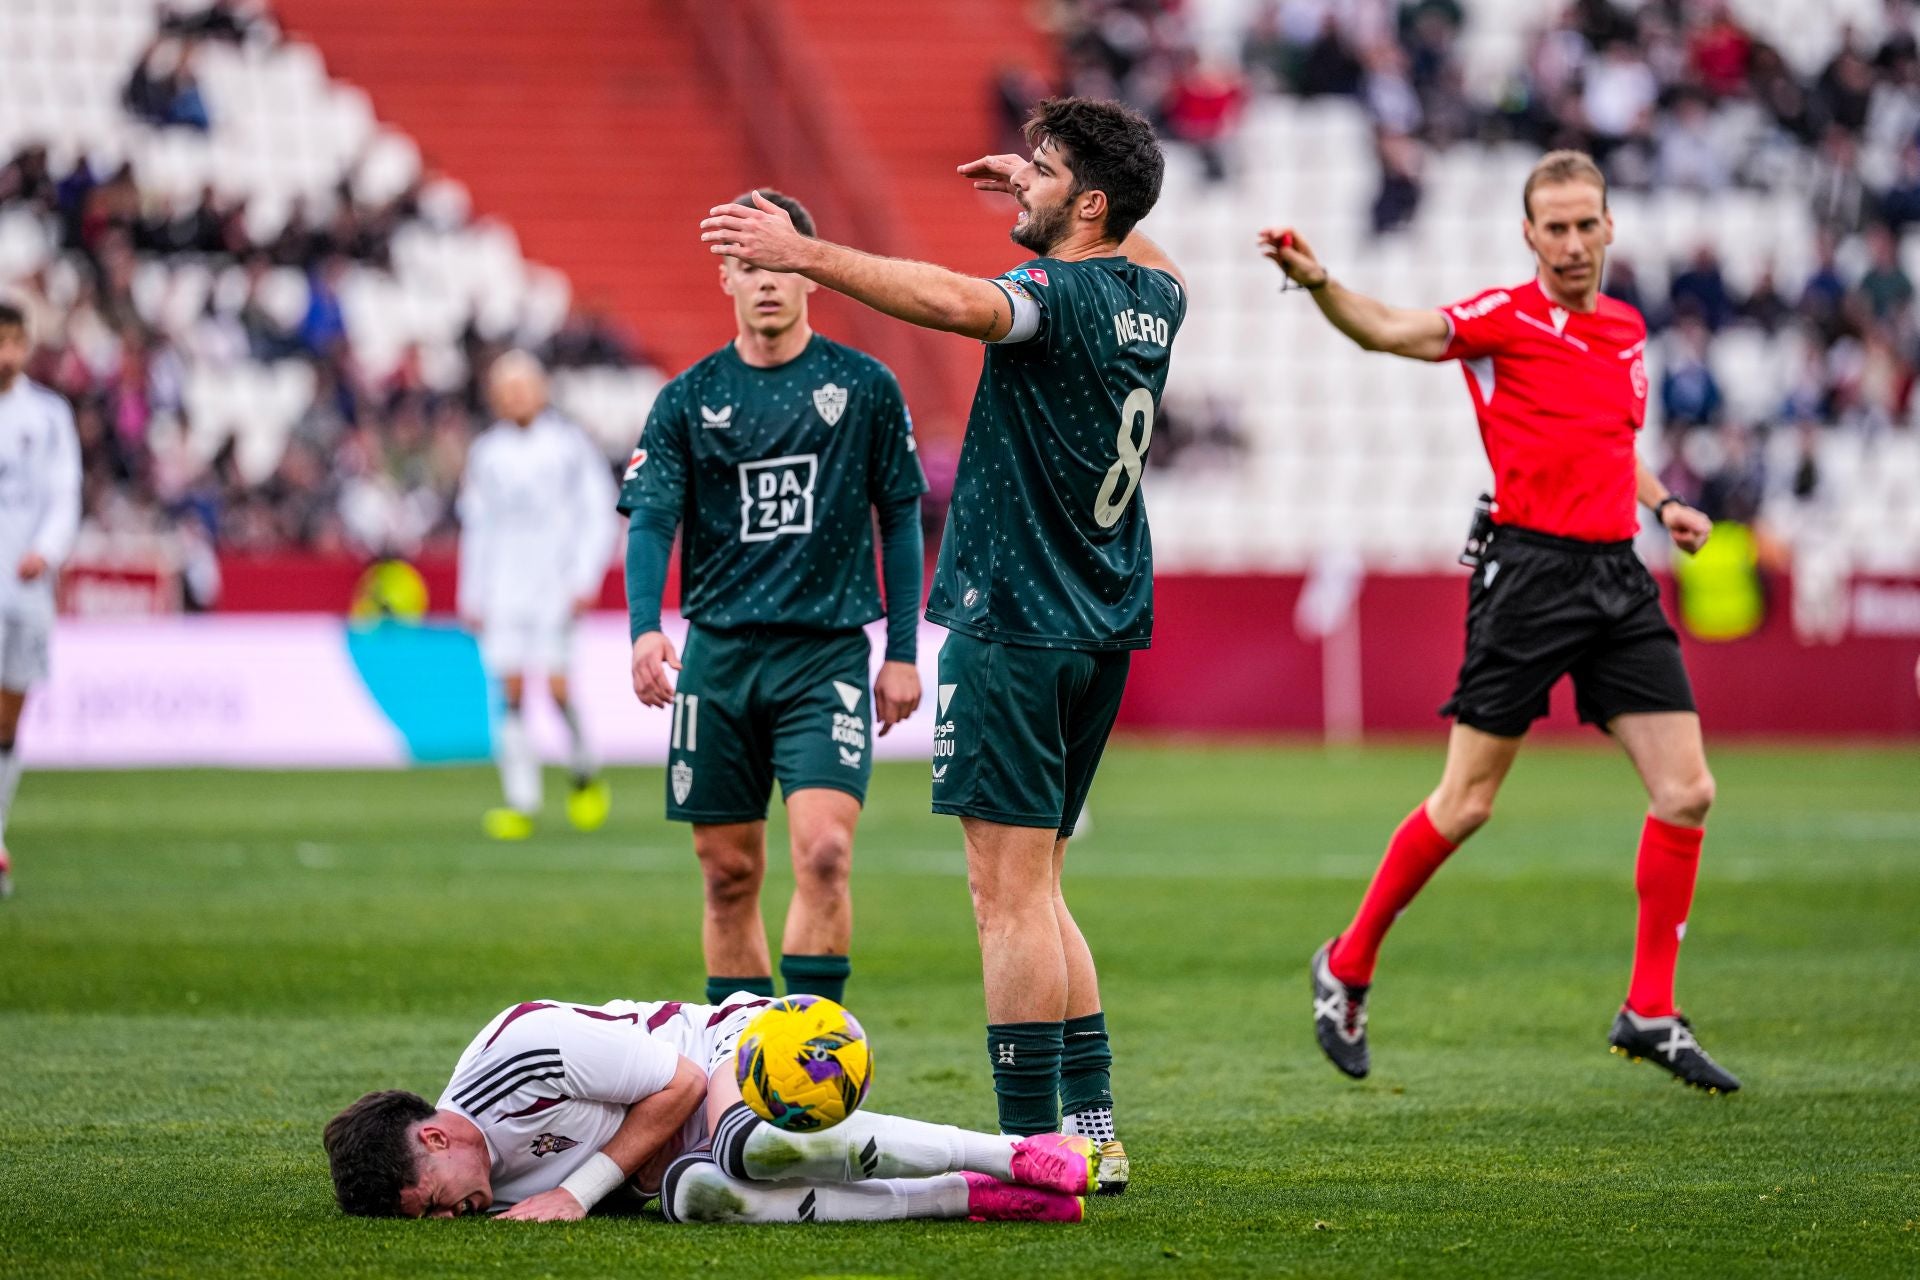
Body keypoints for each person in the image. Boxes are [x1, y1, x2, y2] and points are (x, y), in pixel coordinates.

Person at [698, 99, 1186, 1190]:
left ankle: (1029, 1146)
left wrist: (803, 251)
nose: (1028, 185)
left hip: (1015, 624)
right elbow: (1141, 234)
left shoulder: (1052, 298)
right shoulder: (1159, 293)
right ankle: (1094, 1123)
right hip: (1102, 619)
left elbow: (954, 299)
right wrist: (1040, 183)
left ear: (1091, 203)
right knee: (1044, 883)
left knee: (1003, 894)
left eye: (1049, 173)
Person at [1262, 149, 1741, 1094]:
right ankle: (1347, 963)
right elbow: (1391, 330)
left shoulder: (1630, 331)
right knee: (1468, 803)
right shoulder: (1501, 320)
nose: (1570, 242)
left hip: (1617, 576)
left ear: (1610, 228)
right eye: (1553, 227)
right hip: (1527, 576)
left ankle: (1650, 1008)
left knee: (1687, 791)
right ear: (1529, 235)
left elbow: (1609, 440)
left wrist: (1662, 502)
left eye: (1584, 224)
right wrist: (1324, 286)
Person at [622, 191, 926, 1012]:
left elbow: (899, 517)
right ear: (725, 277)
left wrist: (901, 650)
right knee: (729, 874)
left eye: (780, 262)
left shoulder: (863, 388)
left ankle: (813, 1059)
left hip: (822, 655)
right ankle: (740, 1063)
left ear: (810, 274)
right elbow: (652, 519)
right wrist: (645, 630)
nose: (765, 281)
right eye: (747, 265)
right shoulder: (687, 399)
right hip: (718, 659)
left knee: (824, 852)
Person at [322, 994, 1097, 1223]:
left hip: (741, 1041)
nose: (450, 1220)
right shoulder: (489, 1191)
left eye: (433, 1205)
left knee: (747, 1151)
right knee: (700, 1195)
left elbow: (684, 1083)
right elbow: (651, 1159)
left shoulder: (517, 1052)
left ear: (433, 1134)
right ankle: (974, 1199)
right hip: (681, 1158)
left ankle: (1012, 1151)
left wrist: (578, 1192)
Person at [457, 351, 616, 840]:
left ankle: (585, 772)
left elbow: (600, 512)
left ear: (541, 390)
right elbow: (477, 526)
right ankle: (520, 801)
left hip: (555, 586)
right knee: (509, 693)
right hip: (505, 588)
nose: (514, 396)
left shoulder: (569, 447)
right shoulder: (486, 452)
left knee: (557, 688)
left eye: (522, 386)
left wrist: (585, 578)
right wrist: (473, 592)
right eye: (505, 389)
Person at [0, 300, 81, 900]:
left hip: (25, 588)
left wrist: (46, 551)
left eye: (16, 341)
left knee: (8, 716)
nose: (8, 353)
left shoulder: (49, 415)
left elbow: (66, 495)